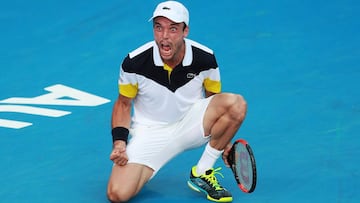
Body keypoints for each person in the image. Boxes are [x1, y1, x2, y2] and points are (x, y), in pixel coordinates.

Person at [107, 1, 247, 202]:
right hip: (150, 133)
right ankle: (142, 169)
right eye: (159, 27)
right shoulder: (134, 63)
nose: (164, 36)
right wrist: (119, 143)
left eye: (173, 29)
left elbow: (214, 99)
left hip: (192, 124)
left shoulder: (205, 59)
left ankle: (202, 171)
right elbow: (123, 104)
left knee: (236, 104)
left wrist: (225, 143)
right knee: (117, 194)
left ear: (185, 31)